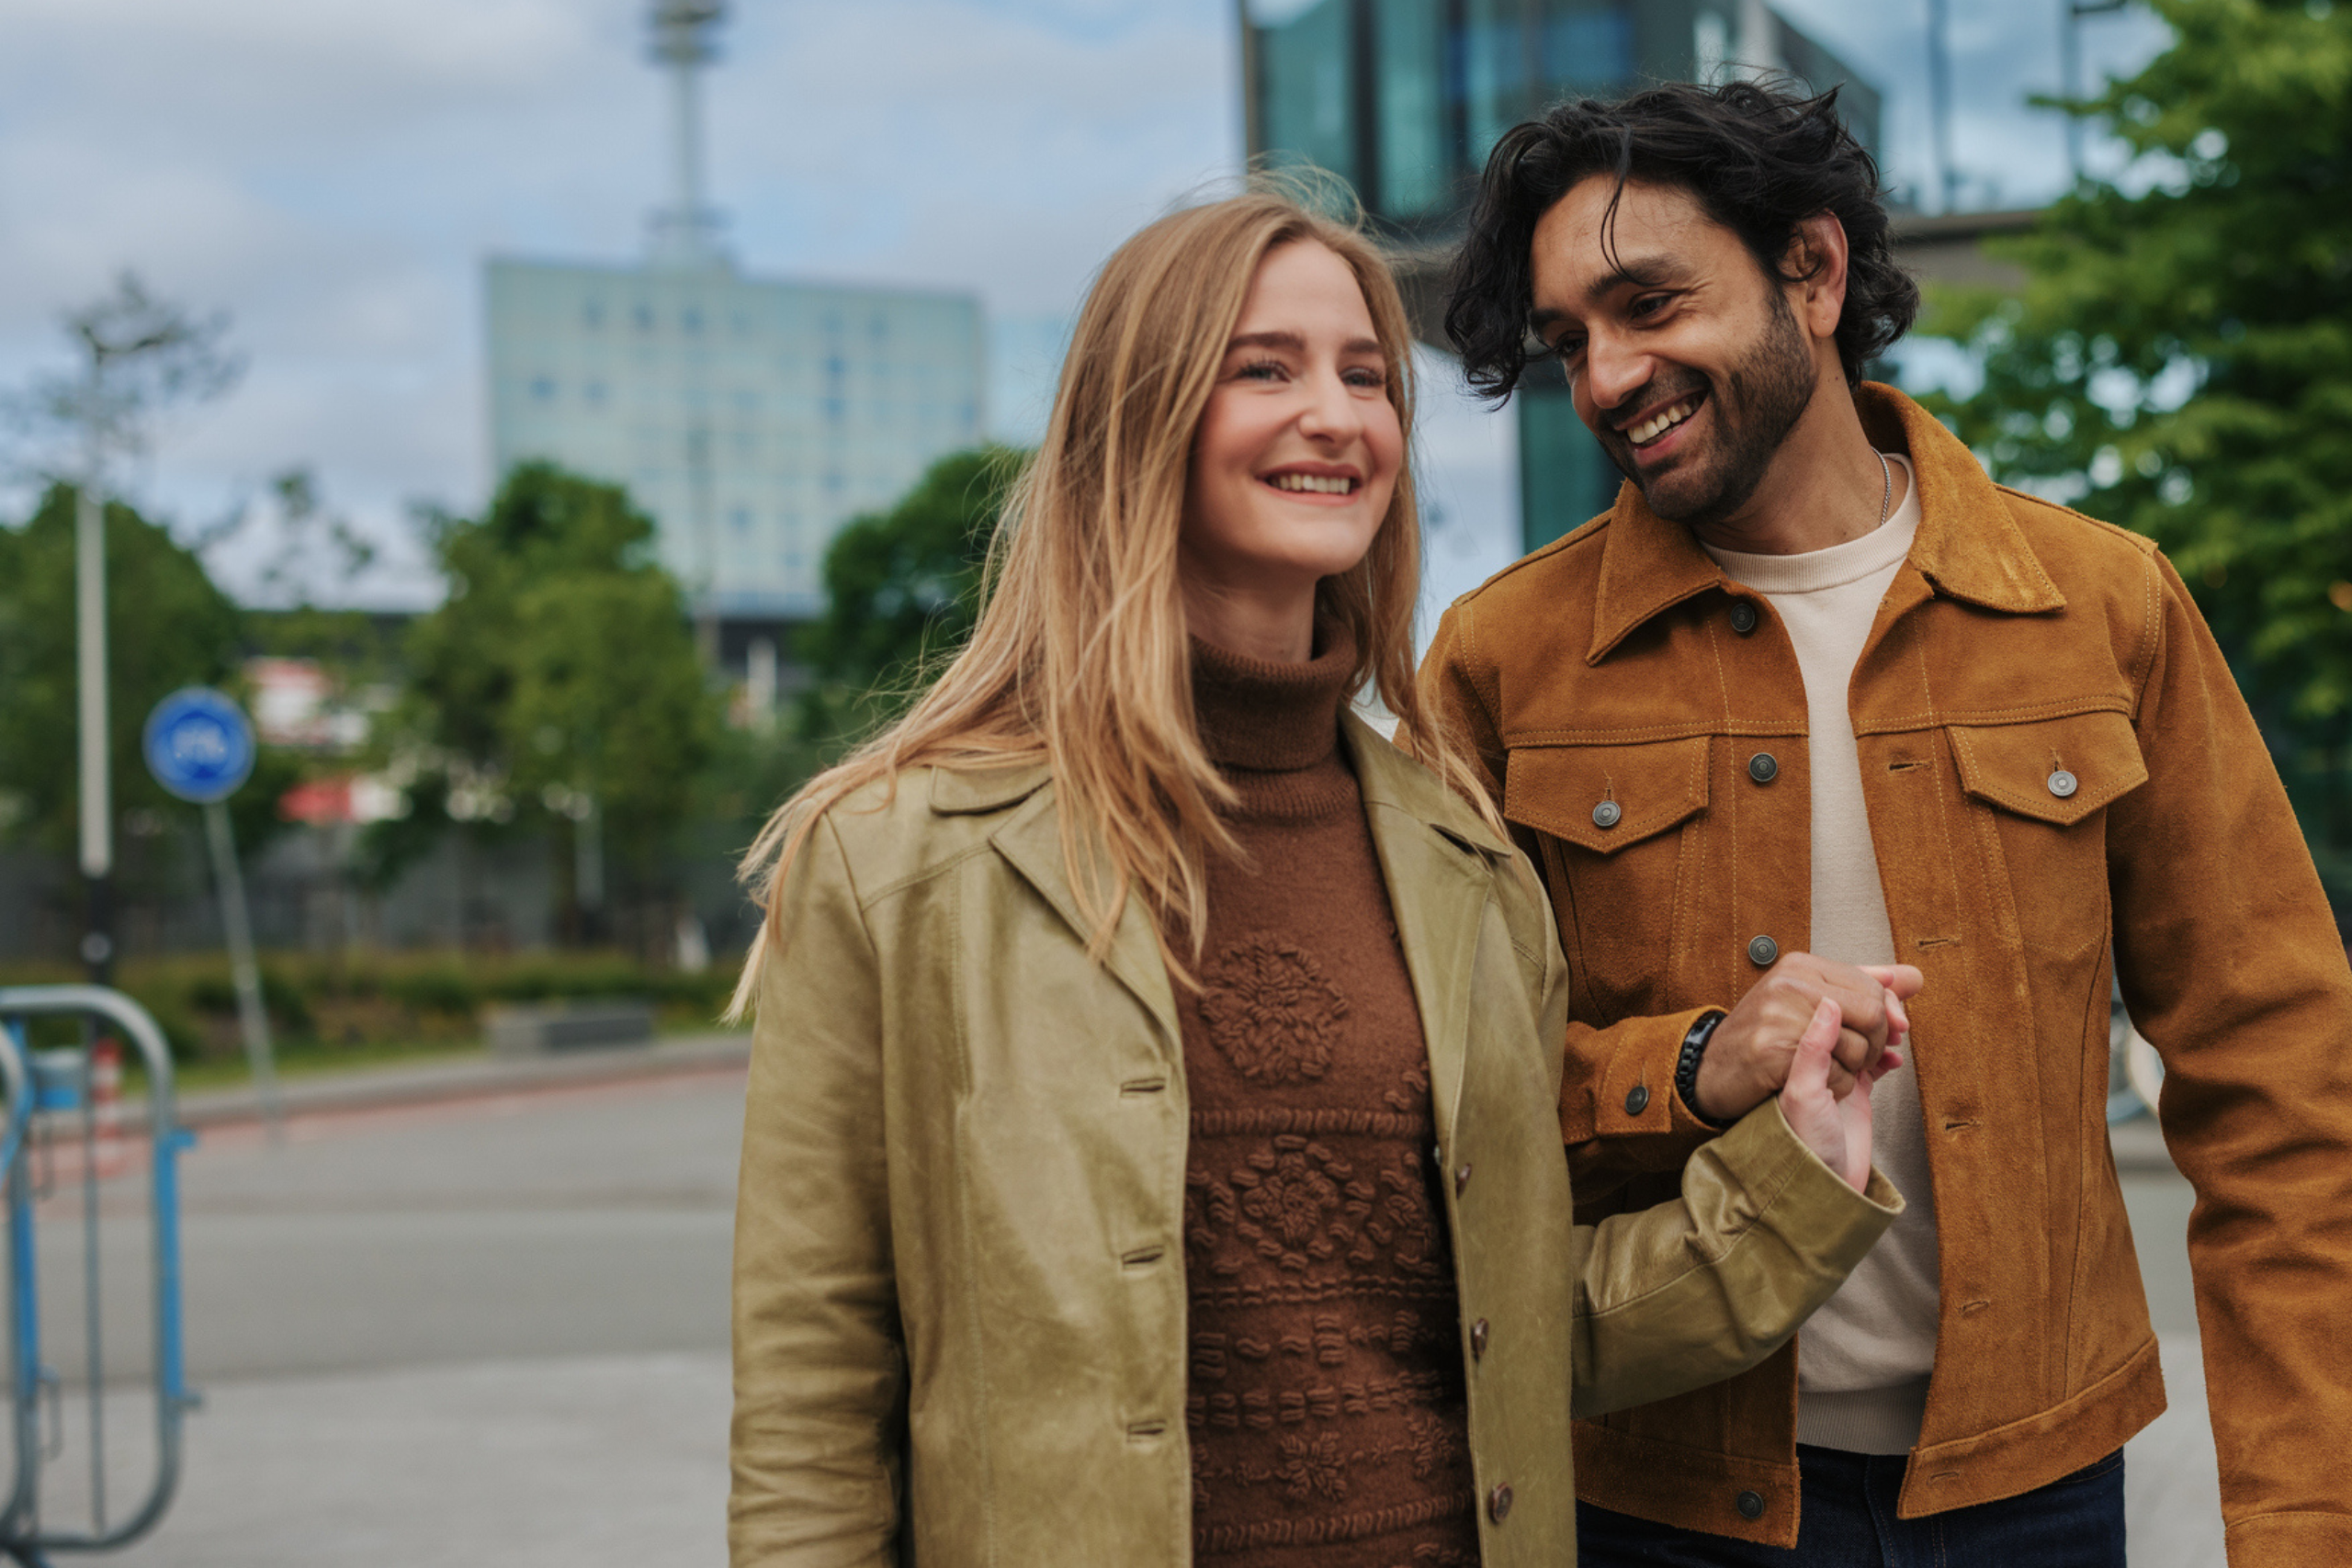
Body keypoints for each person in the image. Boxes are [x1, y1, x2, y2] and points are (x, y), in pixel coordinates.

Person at [726, 187, 1905, 1568]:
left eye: (1365, 376)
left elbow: (1528, 1332)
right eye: (1264, 368)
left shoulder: (1466, 859)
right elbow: (813, 1408)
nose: (1337, 415)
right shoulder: (898, 860)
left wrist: (1795, 1180)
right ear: (1140, 417)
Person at [1421, 77, 2352, 1564]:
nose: (1605, 375)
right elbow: (1443, 1109)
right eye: (1569, 342)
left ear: (1814, 267)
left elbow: (2288, 1084)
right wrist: (1688, 1060)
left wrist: (2307, 1523)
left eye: (1648, 303)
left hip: (2036, 1493)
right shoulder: (1498, 660)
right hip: (1656, 1501)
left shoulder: (2102, 609)